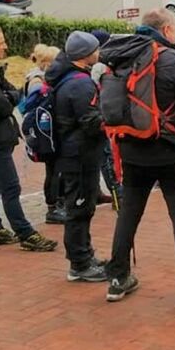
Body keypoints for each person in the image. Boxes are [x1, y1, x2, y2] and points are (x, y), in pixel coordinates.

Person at [103, 9, 175, 314]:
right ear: (166, 29)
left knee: (129, 213)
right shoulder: (174, 60)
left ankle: (118, 278)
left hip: (130, 149)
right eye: (174, 29)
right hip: (169, 150)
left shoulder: (121, 56)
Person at [0, 26, 57, 252]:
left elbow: (15, 92)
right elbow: (4, 106)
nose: (5, 46)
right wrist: (8, 96)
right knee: (11, 187)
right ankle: (26, 234)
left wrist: (8, 95)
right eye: (1, 42)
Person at [47, 31, 107, 282]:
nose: (99, 52)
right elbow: (89, 122)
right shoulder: (80, 84)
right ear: (85, 55)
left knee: (82, 207)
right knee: (79, 208)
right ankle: (79, 264)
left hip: (75, 152)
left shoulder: (69, 78)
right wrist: (112, 117)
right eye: (96, 49)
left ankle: (84, 255)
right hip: (79, 154)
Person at [24, 44, 64, 225]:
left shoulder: (44, 79)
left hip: (51, 130)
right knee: (53, 171)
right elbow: (31, 106)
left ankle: (59, 202)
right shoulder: (37, 81)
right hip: (44, 133)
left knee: (57, 169)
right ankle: (53, 206)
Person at [90, 29, 120, 209]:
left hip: (99, 116)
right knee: (107, 158)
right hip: (99, 117)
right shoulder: (99, 67)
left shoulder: (98, 64)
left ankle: (96, 193)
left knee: (101, 158)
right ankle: (118, 196)